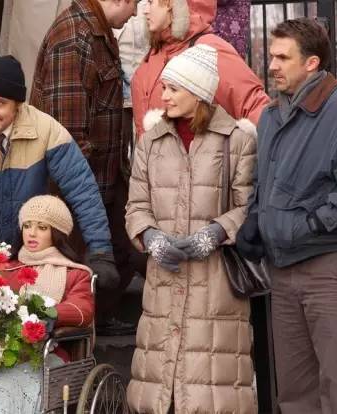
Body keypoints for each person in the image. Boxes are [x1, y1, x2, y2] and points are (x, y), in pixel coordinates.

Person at [236, 18, 337, 414]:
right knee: (294, 396)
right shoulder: (271, 116)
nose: (271, 65)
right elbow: (265, 181)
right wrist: (255, 219)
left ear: (311, 63)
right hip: (282, 273)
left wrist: (315, 222)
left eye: (282, 57)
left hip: (331, 272)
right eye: (272, 56)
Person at [125, 44, 258, 413]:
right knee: (158, 393)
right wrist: (150, 237)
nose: (164, 96)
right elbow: (136, 206)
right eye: (163, 88)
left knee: (211, 391)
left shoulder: (237, 140)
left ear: (198, 92)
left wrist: (214, 234)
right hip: (162, 284)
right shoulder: (150, 141)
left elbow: (249, 206)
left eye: (173, 88)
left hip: (215, 286)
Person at [0, 55, 120, 291]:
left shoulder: (46, 130)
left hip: (35, 253)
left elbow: (82, 190)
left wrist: (101, 250)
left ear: (18, 104)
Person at [30, 0, 139, 335]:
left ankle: (98, 319)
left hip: (106, 179)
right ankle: (80, 334)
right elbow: (68, 138)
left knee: (125, 253)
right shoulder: (73, 38)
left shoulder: (96, 31)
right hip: (78, 193)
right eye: (135, 4)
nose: (136, 13)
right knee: (77, 273)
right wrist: (87, 203)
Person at [0, 195, 94, 414]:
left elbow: (83, 310)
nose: (32, 233)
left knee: (9, 387)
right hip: (1, 350)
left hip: (48, 352)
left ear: (57, 233)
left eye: (42, 227)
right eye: (27, 225)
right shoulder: (5, 268)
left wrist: (48, 314)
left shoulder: (74, 273)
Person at [131, 0, 269, 137]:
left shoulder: (209, 49)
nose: (145, 10)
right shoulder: (155, 52)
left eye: (151, 2)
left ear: (174, 4)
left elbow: (254, 106)